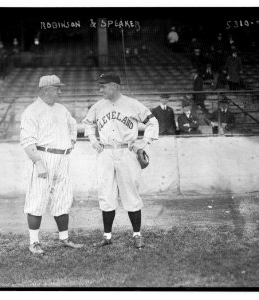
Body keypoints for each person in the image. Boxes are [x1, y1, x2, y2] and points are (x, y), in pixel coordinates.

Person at [82, 73, 159, 249]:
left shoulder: (132, 104)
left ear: (115, 86)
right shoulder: (98, 106)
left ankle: (137, 234)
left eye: (103, 86)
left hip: (127, 151)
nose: (100, 89)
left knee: (131, 193)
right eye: (99, 86)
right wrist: (93, 141)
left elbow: (153, 122)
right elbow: (87, 123)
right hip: (106, 152)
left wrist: (143, 142)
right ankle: (107, 236)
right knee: (106, 193)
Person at [20, 75, 83, 255]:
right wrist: (38, 162)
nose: (60, 91)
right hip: (44, 157)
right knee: (37, 200)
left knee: (63, 198)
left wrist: (71, 142)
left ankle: (64, 238)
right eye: (57, 88)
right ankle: (34, 242)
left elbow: (73, 126)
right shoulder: (32, 111)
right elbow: (26, 141)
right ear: (46, 90)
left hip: (62, 158)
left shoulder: (61, 109)